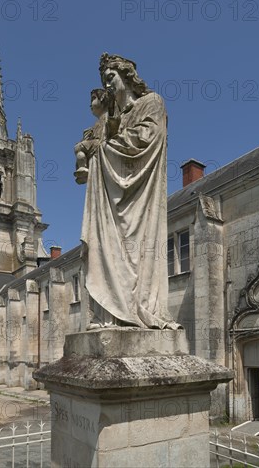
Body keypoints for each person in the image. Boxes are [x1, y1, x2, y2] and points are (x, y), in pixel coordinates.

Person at [79, 53, 182, 330]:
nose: (108, 84)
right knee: (105, 247)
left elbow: (147, 138)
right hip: (111, 197)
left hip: (139, 194)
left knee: (136, 253)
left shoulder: (152, 103)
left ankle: (136, 310)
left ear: (126, 76)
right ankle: (109, 313)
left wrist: (102, 150)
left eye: (111, 77)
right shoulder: (113, 117)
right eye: (104, 80)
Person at [74, 89, 108, 184]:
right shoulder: (96, 123)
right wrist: (86, 137)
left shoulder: (109, 117)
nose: (90, 105)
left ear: (103, 100)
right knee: (78, 146)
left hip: (101, 147)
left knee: (79, 147)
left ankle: (83, 169)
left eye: (93, 99)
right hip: (95, 151)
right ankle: (83, 168)